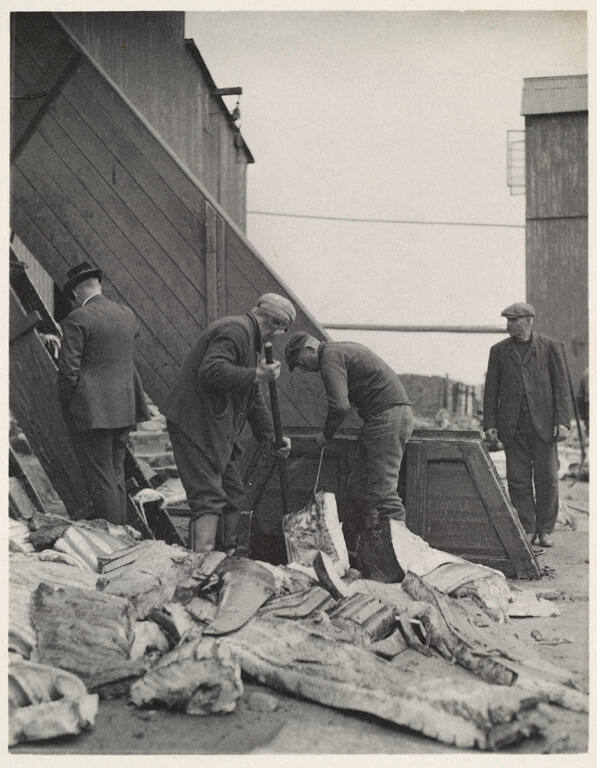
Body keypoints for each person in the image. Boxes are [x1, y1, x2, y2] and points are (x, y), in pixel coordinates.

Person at [164, 293, 295, 554]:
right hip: (197, 426)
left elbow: (251, 394)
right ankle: (200, 563)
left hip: (215, 429)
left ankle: (224, 557)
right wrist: (256, 374)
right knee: (208, 497)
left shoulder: (248, 337)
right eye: (280, 330)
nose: (276, 337)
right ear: (275, 324)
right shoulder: (235, 331)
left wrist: (272, 436)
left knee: (232, 494)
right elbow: (211, 370)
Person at [285, 333, 414, 582]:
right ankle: (373, 561)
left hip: (387, 419)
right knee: (359, 487)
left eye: (300, 363)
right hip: (379, 419)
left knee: (383, 494)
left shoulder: (330, 356)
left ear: (310, 348)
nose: (304, 369)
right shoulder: (338, 352)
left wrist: (326, 434)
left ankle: (400, 565)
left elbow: (340, 405)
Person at [57, 261, 149, 525]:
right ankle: (122, 534)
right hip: (125, 408)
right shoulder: (127, 314)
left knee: (100, 478)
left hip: (93, 411)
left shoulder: (77, 319)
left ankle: (112, 537)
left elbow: (68, 372)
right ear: (99, 285)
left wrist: (67, 403)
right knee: (116, 473)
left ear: (76, 292)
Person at [483, 302, 571, 548]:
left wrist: (563, 421)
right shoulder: (499, 351)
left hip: (544, 425)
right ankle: (527, 527)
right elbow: (491, 390)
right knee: (517, 479)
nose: (508, 325)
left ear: (529, 321)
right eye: (507, 320)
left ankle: (545, 529)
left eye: (513, 320)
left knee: (547, 478)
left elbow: (561, 387)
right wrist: (490, 423)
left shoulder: (550, 347)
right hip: (512, 426)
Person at [577, 367, 589, 437]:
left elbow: (579, 398)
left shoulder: (586, 373)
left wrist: (583, 416)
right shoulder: (587, 374)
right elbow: (580, 398)